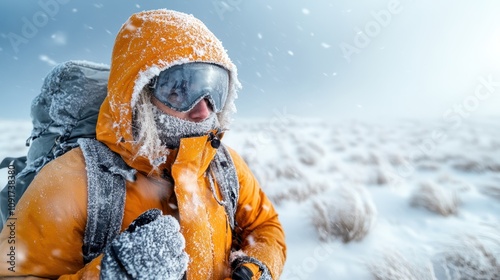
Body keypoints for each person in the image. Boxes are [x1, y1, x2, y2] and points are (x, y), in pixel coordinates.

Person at [0, 9, 286, 279]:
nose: (203, 112)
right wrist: (111, 273)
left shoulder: (224, 164)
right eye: (179, 90)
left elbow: (266, 228)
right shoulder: (71, 181)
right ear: (139, 95)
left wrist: (253, 268)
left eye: (213, 92)